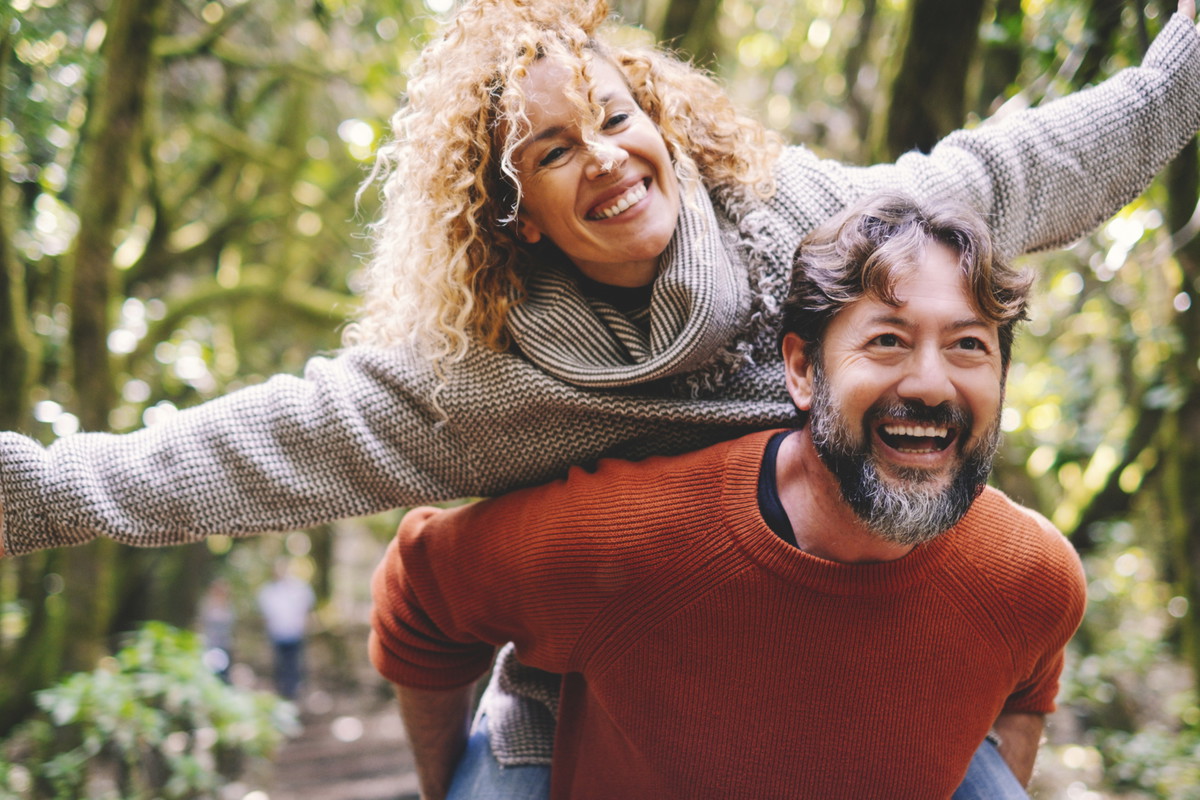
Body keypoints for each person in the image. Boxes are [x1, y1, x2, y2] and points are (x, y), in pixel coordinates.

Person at [1, 0, 1198, 793]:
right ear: (514, 211)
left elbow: (1013, 170)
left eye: (617, 117)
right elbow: (273, 441)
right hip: (589, 679)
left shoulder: (806, 226)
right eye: (556, 149)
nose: (608, 156)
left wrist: (1177, 71)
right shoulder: (487, 377)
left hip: (848, 639)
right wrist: (36, 491)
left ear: (663, 125)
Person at [368, 193, 1088, 799]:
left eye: (968, 346)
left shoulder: (1031, 577)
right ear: (803, 371)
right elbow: (420, 592)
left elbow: (1028, 689)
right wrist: (452, 785)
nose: (931, 384)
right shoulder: (634, 539)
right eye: (888, 341)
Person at [257, 559, 316, 700]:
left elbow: (308, 608)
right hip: (277, 634)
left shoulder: (299, 588)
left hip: (295, 633)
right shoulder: (268, 591)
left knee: (294, 663)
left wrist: (305, 625)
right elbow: (265, 615)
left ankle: (293, 691)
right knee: (280, 664)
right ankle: (282, 691)